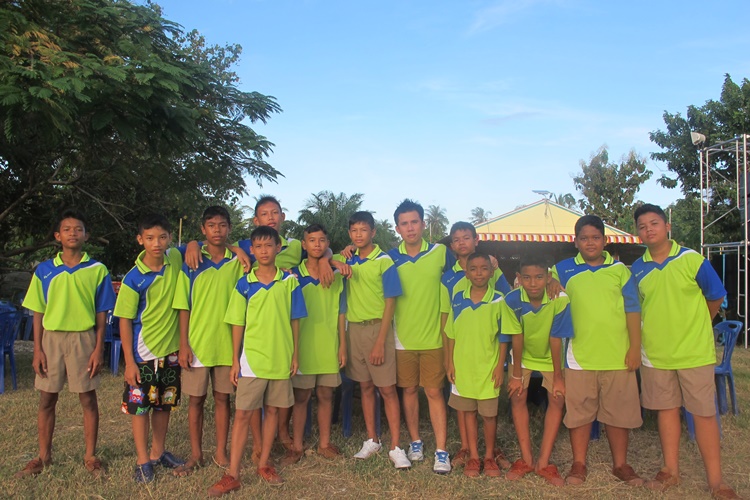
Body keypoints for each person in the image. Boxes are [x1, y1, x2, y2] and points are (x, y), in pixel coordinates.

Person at [632, 204, 739, 499]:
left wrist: (696, 325)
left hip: (693, 352)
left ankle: (717, 482)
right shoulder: (637, 268)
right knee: (666, 411)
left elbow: (715, 297)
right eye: (642, 226)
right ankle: (670, 471)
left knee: (703, 414)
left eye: (654, 223)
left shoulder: (692, 259)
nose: (649, 229)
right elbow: (637, 308)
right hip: (655, 354)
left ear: (667, 226)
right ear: (638, 233)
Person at [16, 209, 116, 479]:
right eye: (67, 229)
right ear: (57, 236)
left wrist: (98, 348)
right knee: (47, 398)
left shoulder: (97, 270)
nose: (73, 233)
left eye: (78, 229)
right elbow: (38, 312)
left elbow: (102, 313)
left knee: (88, 398)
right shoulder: (45, 270)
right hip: (52, 339)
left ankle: (90, 456)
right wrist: (37, 349)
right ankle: (43, 457)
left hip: (84, 338)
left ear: (87, 235)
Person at [208, 226, 307, 495]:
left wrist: (295, 354)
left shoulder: (289, 282)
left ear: (278, 248)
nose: (264, 251)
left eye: (269, 245)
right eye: (259, 247)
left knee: (273, 410)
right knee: (243, 414)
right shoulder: (245, 283)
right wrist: (235, 359)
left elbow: (295, 320)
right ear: (252, 250)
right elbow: (237, 323)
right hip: (251, 359)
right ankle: (233, 474)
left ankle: (264, 464)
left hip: (280, 358)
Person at [551, 214, 643, 486]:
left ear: (604, 240)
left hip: (617, 356)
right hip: (579, 357)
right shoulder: (563, 269)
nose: (590, 242)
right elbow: (543, 285)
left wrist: (635, 348)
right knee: (579, 414)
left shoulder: (620, 271)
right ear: (575, 242)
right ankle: (579, 464)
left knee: (618, 414)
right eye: (584, 238)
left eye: (595, 237)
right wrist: (550, 281)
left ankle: (621, 464)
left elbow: (633, 309)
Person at [171, 206, 244, 475]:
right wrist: (183, 344)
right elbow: (183, 306)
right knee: (196, 401)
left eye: (222, 225)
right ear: (203, 229)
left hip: (227, 345)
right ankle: (196, 454)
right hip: (197, 344)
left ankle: (221, 451)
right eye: (211, 225)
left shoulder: (238, 263)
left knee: (223, 399)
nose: (217, 230)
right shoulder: (192, 263)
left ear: (229, 228)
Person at [114, 214, 187, 483]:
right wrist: (129, 362)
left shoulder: (174, 260)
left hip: (170, 352)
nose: (156, 243)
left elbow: (197, 246)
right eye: (150, 238)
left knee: (164, 405)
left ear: (169, 238)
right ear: (140, 240)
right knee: (140, 407)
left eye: (162, 237)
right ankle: (143, 460)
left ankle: (158, 452)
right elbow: (124, 320)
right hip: (143, 354)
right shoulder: (134, 278)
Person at [335, 211, 410, 469]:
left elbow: (391, 301)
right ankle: (372, 440)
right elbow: (323, 258)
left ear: (373, 232)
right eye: (354, 230)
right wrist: (338, 258)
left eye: (364, 230)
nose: (359, 235)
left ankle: (396, 446)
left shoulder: (383, 261)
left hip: (379, 329)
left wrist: (380, 341)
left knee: (387, 389)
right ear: (349, 234)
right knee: (365, 386)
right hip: (354, 330)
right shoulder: (348, 259)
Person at [387, 200, 455, 474]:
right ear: (397, 229)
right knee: (409, 390)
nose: (410, 228)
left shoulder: (441, 252)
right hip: (402, 338)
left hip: (435, 337)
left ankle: (441, 450)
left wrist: (494, 265)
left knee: (434, 391)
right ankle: (415, 441)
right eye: (404, 223)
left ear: (424, 224)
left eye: (414, 221)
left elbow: (466, 272)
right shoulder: (390, 257)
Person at [439, 221, 511, 469]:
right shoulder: (450, 279)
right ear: (452, 245)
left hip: (487, 356)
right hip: (462, 356)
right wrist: (448, 359)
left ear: (476, 240)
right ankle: (468, 449)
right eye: (457, 239)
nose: (462, 242)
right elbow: (447, 321)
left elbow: (508, 305)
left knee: (488, 411)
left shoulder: (494, 273)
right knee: (464, 405)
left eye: (466, 237)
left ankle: (490, 453)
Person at [501, 255, 572, 486]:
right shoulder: (511, 300)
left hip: (552, 357)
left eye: (539, 277)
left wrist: (558, 377)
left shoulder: (560, 299)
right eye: (527, 278)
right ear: (519, 278)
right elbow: (516, 336)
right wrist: (516, 375)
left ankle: (543, 462)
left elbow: (556, 338)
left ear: (548, 277)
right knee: (517, 395)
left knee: (557, 397)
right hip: (523, 356)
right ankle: (526, 459)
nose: (533, 283)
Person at [279, 224, 347, 466]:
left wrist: (342, 345)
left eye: (321, 240)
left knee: (326, 395)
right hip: (302, 347)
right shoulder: (292, 276)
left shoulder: (336, 275)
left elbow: (341, 311)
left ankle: (324, 444)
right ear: (304, 244)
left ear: (327, 243)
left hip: (329, 344)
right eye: (312, 240)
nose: (317, 245)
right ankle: (296, 446)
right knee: (302, 397)